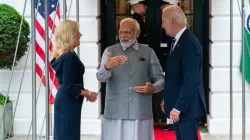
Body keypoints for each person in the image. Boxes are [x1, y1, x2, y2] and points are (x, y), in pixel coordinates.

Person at [96, 18, 164, 140]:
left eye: (127, 32)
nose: (123, 36)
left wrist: (153, 88)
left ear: (137, 33)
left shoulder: (148, 52)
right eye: (121, 32)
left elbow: (161, 79)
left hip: (140, 111)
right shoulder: (110, 51)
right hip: (115, 111)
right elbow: (100, 78)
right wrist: (107, 67)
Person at [162, 5, 207, 140]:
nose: (162, 25)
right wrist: (168, 99)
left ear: (172, 21)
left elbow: (191, 80)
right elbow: (176, 76)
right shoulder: (178, 40)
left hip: (186, 108)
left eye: (163, 21)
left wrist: (178, 107)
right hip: (179, 106)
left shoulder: (189, 43)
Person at [51, 20, 98, 140]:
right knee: (68, 135)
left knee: (65, 134)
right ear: (69, 35)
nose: (80, 35)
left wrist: (84, 91)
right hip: (68, 102)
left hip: (66, 100)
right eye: (77, 32)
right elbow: (68, 86)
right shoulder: (69, 57)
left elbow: (69, 83)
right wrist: (87, 93)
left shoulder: (66, 55)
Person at [158, 0, 180, 132]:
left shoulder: (176, 24)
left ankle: (173, 121)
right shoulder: (164, 25)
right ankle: (169, 120)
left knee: (174, 91)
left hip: (174, 65)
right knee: (168, 91)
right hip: (167, 64)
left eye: (164, 7)